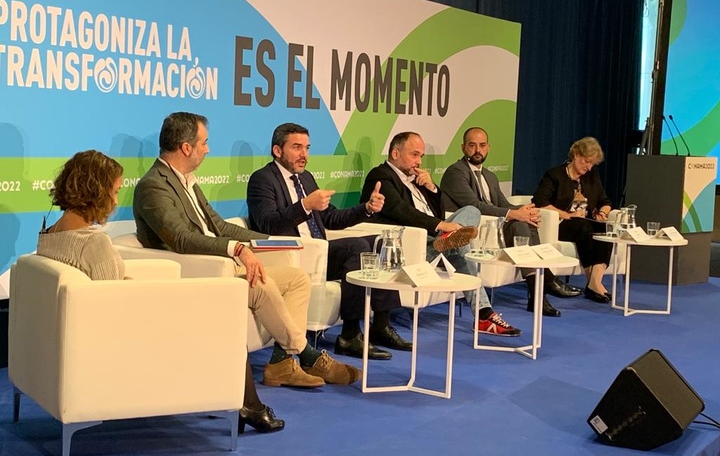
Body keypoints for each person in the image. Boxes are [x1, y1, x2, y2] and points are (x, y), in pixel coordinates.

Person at [37, 150, 284, 434]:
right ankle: (249, 407)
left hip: (86, 330)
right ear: (96, 191)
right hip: (118, 339)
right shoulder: (94, 243)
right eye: (114, 192)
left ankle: (232, 400)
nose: (116, 201)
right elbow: (113, 309)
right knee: (223, 322)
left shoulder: (50, 232)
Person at [133, 111, 361, 393]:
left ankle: (280, 363)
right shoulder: (153, 186)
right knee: (262, 283)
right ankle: (308, 355)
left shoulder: (188, 180)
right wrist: (237, 249)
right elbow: (180, 239)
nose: (208, 149)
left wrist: (270, 242)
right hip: (197, 272)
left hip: (222, 264)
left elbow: (217, 226)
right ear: (186, 147)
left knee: (297, 278)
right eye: (204, 143)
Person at [247, 122, 412, 360]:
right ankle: (351, 335)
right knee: (355, 247)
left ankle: (381, 326)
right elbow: (267, 224)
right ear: (277, 150)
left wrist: (365, 208)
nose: (304, 155)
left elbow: (331, 218)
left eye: (307, 148)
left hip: (319, 251)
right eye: (296, 147)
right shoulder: (262, 179)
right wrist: (305, 206)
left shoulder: (306, 179)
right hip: (292, 255)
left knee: (379, 242)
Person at [360, 131, 522, 337]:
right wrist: (440, 226)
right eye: (414, 155)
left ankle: (449, 244)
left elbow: (439, 210)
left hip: (434, 241)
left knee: (471, 213)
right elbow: (402, 211)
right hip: (412, 245)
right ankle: (483, 315)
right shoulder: (381, 176)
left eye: (421, 156)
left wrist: (431, 188)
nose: (418, 162)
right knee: (461, 243)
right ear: (395, 153)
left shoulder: (416, 178)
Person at [440, 127, 583, 317]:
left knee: (527, 221)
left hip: (497, 225)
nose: (477, 150)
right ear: (463, 147)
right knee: (519, 222)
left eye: (482, 145)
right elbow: (474, 205)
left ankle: (538, 294)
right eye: (472, 145)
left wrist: (524, 212)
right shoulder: (455, 172)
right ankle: (543, 285)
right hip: (475, 228)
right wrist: (514, 214)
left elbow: (504, 204)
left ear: (488, 147)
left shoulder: (490, 176)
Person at [532, 137, 613, 303]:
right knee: (583, 226)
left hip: (585, 224)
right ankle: (594, 286)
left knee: (605, 230)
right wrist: (568, 215)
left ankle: (595, 281)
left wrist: (603, 214)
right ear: (576, 154)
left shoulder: (591, 176)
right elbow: (540, 202)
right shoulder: (555, 175)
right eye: (586, 162)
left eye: (592, 164)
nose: (588, 167)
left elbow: (605, 202)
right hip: (561, 224)